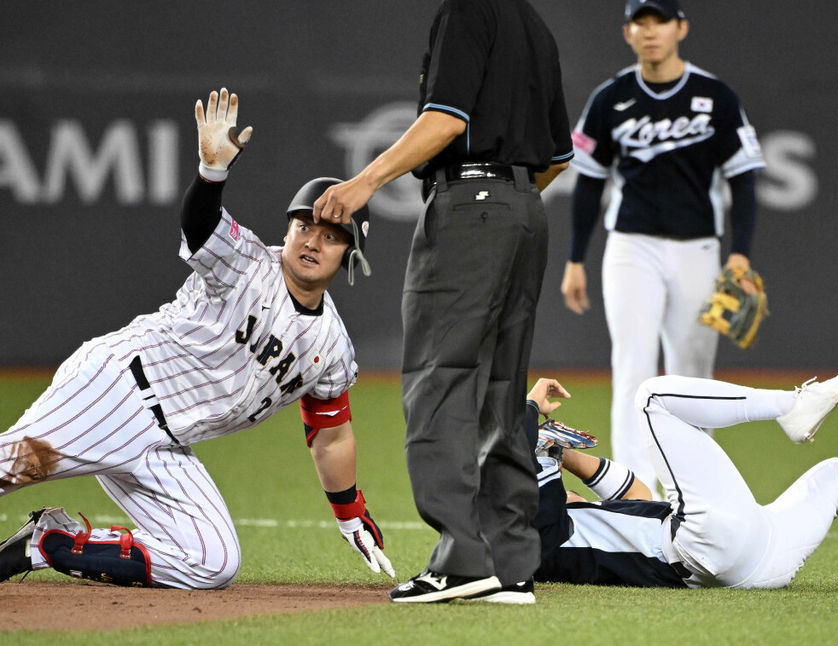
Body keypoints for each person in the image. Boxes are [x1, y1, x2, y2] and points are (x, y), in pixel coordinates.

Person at [0, 88, 393, 589]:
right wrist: (212, 174)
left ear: (350, 256)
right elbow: (200, 222)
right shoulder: (247, 261)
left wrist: (349, 512)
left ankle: (47, 543)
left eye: (331, 235)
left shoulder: (332, 346)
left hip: (167, 445)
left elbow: (330, 432)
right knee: (11, 466)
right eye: (303, 226)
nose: (313, 241)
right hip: (116, 392)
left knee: (211, 562)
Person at [311, 0, 574, 604]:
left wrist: (364, 182)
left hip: (471, 207)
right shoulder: (534, 24)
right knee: (501, 390)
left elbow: (447, 120)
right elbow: (559, 156)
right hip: (525, 211)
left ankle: (461, 560)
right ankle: (507, 563)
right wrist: (509, 201)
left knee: (441, 379)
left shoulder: (466, 9)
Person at [523, 365, 838, 589]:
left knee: (837, 475)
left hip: (756, 563)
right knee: (651, 398)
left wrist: (562, 454)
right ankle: (790, 407)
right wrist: (531, 419)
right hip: (697, 547)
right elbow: (524, 476)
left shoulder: (568, 524)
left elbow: (635, 493)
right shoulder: (531, 540)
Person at [560, 0, 767, 494]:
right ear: (628, 32)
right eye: (640, 23)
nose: (650, 32)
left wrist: (741, 253)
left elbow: (744, 179)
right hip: (631, 247)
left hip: (697, 248)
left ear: (681, 28)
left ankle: (697, 486)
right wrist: (574, 259)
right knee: (631, 362)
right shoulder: (611, 97)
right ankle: (634, 488)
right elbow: (588, 182)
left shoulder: (714, 96)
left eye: (660, 22)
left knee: (693, 370)